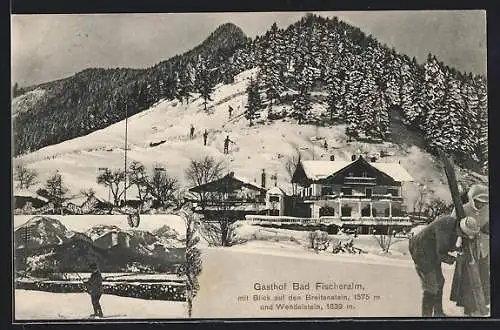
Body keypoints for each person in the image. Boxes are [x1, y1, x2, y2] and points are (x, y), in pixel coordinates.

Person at [409, 215, 472, 317]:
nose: (464, 237)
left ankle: (438, 313)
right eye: (464, 235)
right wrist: (455, 259)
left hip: (431, 252)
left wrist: (456, 249)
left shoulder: (453, 224)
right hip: (421, 252)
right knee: (431, 286)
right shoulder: (445, 228)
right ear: (462, 229)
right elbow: (441, 253)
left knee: (440, 281)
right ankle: (426, 316)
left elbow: (444, 244)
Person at [450, 184, 489, 316]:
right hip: (466, 251)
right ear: (472, 199)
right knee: (467, 280)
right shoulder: (462, 210)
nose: (481, 206)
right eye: (478, 202)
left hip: (483, 250)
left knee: (483, 278)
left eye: (484, 203)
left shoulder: (489, 210)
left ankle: (481, 305)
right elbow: (451, 226)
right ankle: (468, 309)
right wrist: (461, 236)